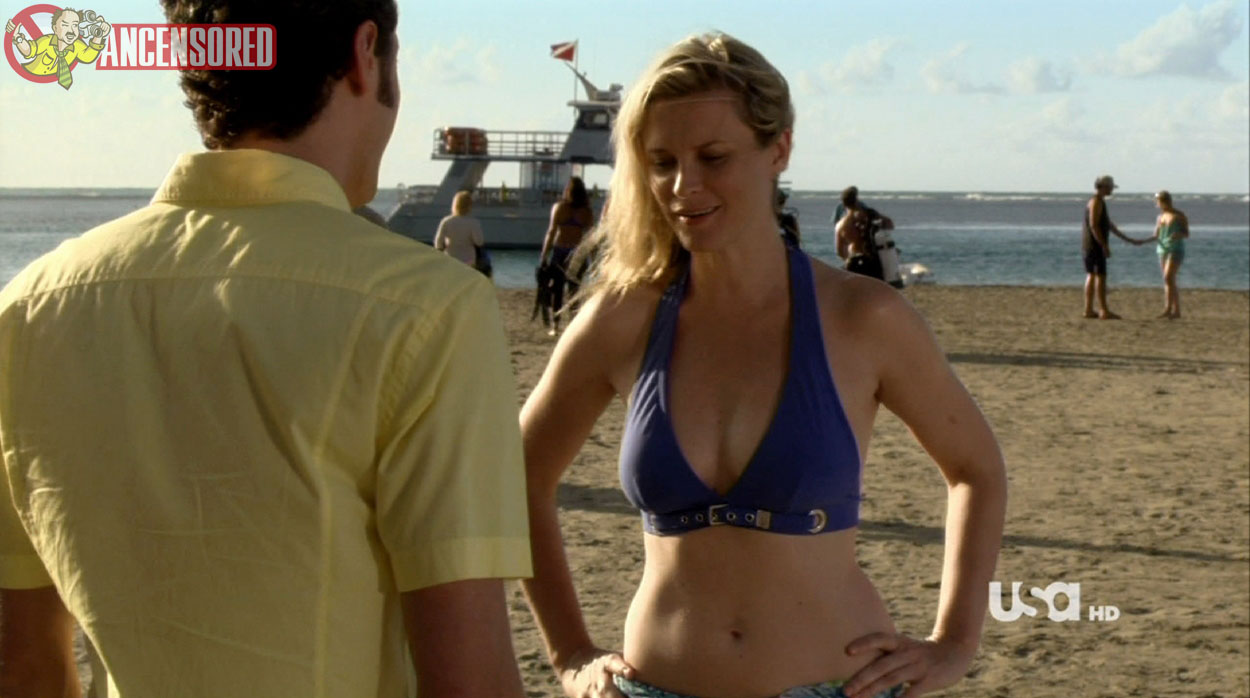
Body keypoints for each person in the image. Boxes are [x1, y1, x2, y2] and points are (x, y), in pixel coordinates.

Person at [0, 2, 531, 696]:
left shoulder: (29, 307)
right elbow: (469, 679)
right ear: (364, 54)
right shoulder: (427, 309)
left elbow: (24, 664)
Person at [519, 32, 1006, 698]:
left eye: (713, 157)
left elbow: (976, 470)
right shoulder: (623, 318)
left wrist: (954, 642)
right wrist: (570, 654)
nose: (684, 186)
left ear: (778, 149)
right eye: (662, 162)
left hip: (838, 683)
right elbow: (516, 478)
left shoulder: (863, 317)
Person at [539, 175, 596, 336]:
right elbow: (591, 237)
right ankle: (572, 325)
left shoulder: (559, 207)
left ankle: (555, 326)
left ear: (567, 191)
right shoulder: (586, 212)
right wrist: (593, 260)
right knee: (574, 291)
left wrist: (544, 254)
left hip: (560, 251)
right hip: (577, 253)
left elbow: (551, 232)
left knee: (556, 290)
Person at [1081, 175, 1136, 319]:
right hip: (1094, 245)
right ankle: (1103, 310)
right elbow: (1094, 225)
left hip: (1089, 244)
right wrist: (1103, 245)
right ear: (1103, 187)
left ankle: (1089, 309)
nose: (1111, 190)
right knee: (1100, 276)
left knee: (1091, 275)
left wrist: (1126, 239)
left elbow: (1108, 225)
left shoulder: (1098, 201)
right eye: (1110, 187)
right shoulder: (1096, 202)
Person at [1133, 190, 1190, 319]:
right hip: (1162, 249)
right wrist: (1142, 241)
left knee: (1168, 277)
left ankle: (1174, 309)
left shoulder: (1179, 215)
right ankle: (1170, 309)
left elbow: (1186, 233)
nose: (1158, 204)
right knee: (1168, 280)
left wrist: (1178, 235)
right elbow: (1156, 235)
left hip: (1175, 248)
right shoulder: (1160, 217)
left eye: (1159, 201)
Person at [835, 187, 895, 281]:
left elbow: (840, 251)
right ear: (857, 200)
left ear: (844, 204)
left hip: (853, 261)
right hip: (872, 260)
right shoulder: (869, 215)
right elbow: (890, 224)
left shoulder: (841, 225)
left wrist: (847, 259)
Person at [434, 190, 488, 271]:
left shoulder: (446, 221)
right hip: (468, 261)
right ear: (469, 206)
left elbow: (438, 243)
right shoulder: (473, 222)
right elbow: (479, 242)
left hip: (450, 259)